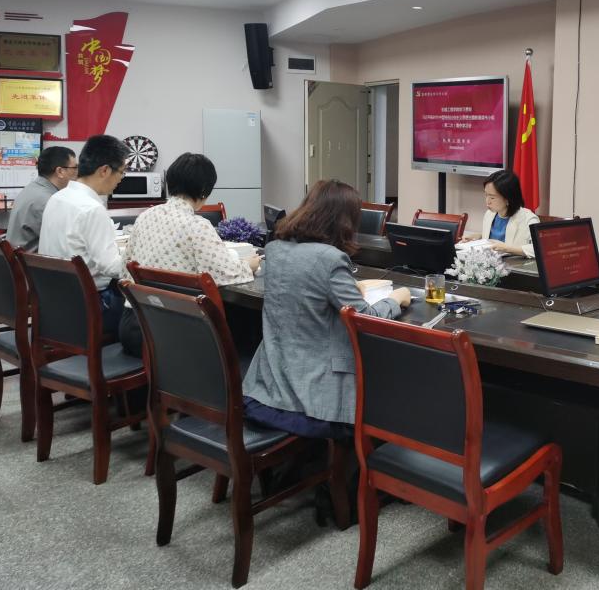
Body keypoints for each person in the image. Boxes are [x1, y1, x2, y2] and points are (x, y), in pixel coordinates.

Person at [242, 179, 411, 438]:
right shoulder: (330, 259)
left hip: (268, 388)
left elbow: (304, 289)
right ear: (344, 221)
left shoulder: (274, 250)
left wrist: (349, 288)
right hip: (315, 402)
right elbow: (365, 319)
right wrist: (396, 299)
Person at [118, 152, 261, 357]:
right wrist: (249, 265)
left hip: (134, 326)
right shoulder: (197, 225)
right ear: (204, 191)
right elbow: (223, 274)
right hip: (173, 335)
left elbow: (124, 270)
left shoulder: (145, 217)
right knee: (246, 324)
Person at [39, 135, 130, 337]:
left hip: (55, 303)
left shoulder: (57, 198)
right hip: (91, 308)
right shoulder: (92, 209)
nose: (121, 179)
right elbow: (112, 268)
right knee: (148, 319)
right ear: (104, 170)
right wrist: (137, 255)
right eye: (121, 172)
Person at [4, 145, 77, 252]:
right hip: (33, 260)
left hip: (19, 257)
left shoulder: (32, 189)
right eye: (74, 168)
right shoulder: (48, 201)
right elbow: (64, 244)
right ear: (60, 171)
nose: (77, 173)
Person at [473, 169, 540, 257]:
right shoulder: (489, 214)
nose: (487, 201)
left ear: (508, 198)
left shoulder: (529, 219)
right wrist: (478, 237)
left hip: (514, 264)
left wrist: (507, 249)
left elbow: (538, 249)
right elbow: (494, 239)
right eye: (486, 195)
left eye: (492, 198)